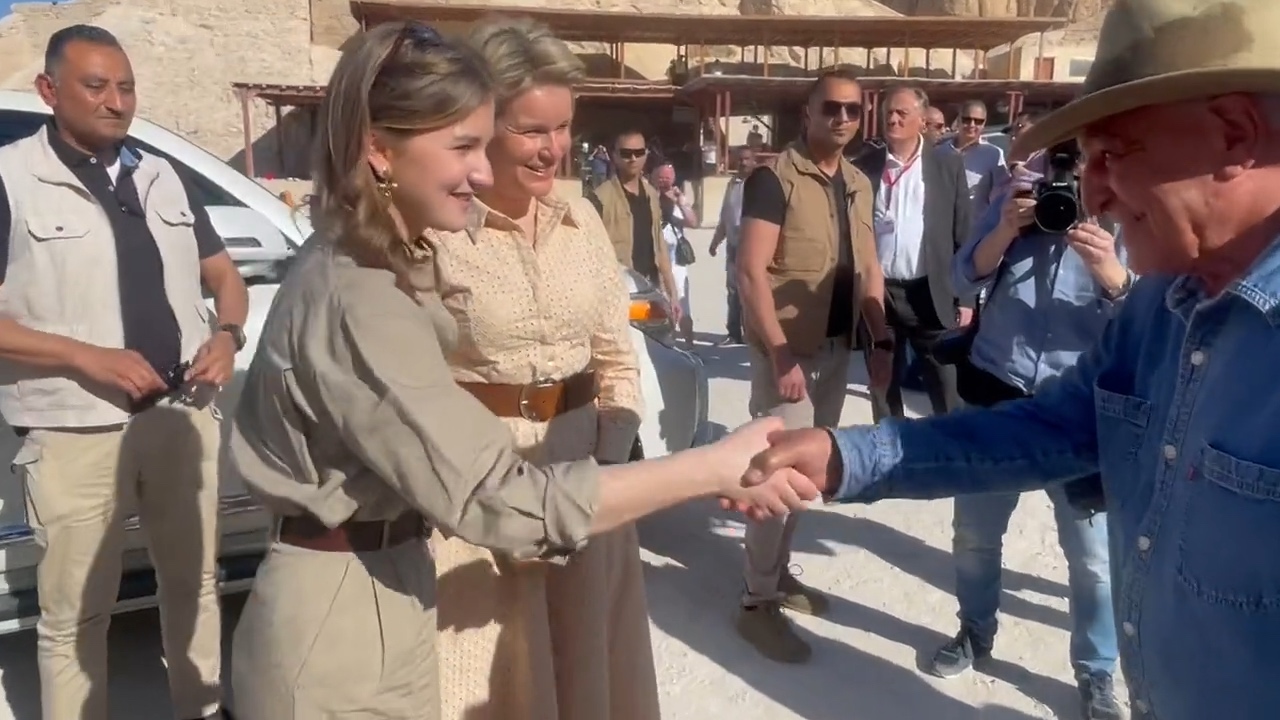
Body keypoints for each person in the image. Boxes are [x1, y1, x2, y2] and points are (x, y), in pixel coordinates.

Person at [223, 22, 812, 720]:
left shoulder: (389, 256)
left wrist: (612, 454)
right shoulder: (367, 288)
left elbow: (612, 351)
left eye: (562, 127)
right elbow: (494, 497)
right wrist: (711, 467)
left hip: (460, 533)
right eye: (467, 144)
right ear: (378, 149)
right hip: (425, 548)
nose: (485, 171)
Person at [745, 1, 1280, 717]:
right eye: (1083, 162)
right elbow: (1046, 430)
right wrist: (847, 455)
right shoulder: (1161, 306)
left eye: (1114, 155)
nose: (1092, 193)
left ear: (1235, 136)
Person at [0, 25, 247, 720]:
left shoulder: (160, 174)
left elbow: (226, 278)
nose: (116, 102)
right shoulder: (11, 179)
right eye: (96, 86)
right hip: (74, 427)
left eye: (126, 87)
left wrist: (228, 335)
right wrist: (85, 356)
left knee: (195, 587)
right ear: (49, 90)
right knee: (75, 616)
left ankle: (201, 709)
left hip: (180, 417)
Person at [425, 18, 661, 720]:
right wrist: (478, 487)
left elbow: (615, 352)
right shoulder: (436, 230)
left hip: (586, 483)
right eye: (531, 130)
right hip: (482, 492)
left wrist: (607, 471)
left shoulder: (582, 220)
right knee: (500, 678)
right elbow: (417, 381)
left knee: (588, 669)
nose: (553, 148)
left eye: (563, 127)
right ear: (480, 125)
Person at [932, 152, 1130, 719]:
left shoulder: (1127, 217)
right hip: (1000, 394)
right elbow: (959, 280)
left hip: (1079, 409)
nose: (1070, 183)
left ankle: (1096, 673)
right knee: (974, 533)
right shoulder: (1014, 201)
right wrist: (1003, 228)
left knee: (1093, 560)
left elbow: (1154, 314)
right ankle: (974, 632)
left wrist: (1113, 276)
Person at [733, 66, 890, 664]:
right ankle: (755, 603)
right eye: (831, 108)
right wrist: (778, 353)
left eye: (852, 109)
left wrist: (881, 340)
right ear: (808, 113)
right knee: (773, 478)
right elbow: (750, 273)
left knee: (805, 478)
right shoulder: (774, 179)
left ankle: (775, 578)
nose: (842, 118)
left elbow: (870, 268)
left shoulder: (858, 182)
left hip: (835, 350)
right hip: (789, 356)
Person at [853, 85, 970, 421]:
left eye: (902, 113)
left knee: (945, 389)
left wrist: (965, 298)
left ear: (922, 119)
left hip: (929, 291)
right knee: (882, 386)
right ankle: (889, 445)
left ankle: (948, 447)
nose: (893, 119)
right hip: (879, 294)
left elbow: (963, 230)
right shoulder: (865, 166)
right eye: (888, 112)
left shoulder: (947, 164)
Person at [587, 129, 681, 319]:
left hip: (650, 288)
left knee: (651, 337)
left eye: (638, 153)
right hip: (617, 292)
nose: (633, 159)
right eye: (626, 153)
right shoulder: (600, 198)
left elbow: (660, 248)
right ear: (614, 156)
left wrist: (673, 294)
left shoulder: (652, 195)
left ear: (646, 155)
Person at [709, 145, 756, 345]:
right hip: (734, 245)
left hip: (754, 246)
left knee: (753, 290)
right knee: (733, 290)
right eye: (740, 159)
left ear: (754, 161)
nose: (743, 163)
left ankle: (754, 334)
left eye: (747, 159)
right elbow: (726, 216)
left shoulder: (760, 184)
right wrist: (715, 241)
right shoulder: (732, 184)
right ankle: (734, 333)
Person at [651, 160, 698, 344]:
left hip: (676, 263)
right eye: (661, 178)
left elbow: (693, 222)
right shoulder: (648, 197)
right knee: (659, 305)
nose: (664, 182)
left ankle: (689, 345)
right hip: (655, 259)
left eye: (667, 178)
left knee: (683, 305)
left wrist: (680, 202)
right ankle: (665, 342)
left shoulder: (678, 199)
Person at [937, 99, 1006, 223]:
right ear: (958, 120)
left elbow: (1000, 193)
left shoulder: (993, 154)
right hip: (942, 224)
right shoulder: (940, 151)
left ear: (984, 123)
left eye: (978, 121)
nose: (972, 125)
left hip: (976, 226)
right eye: (967, 120)